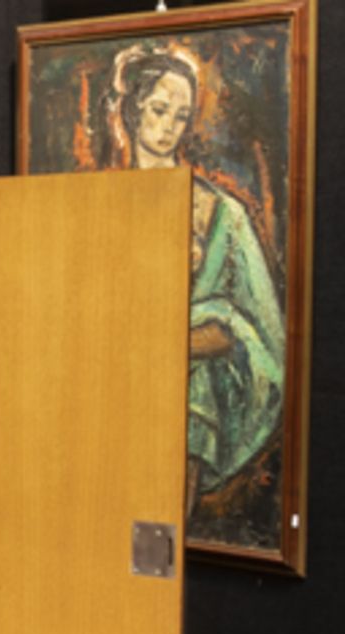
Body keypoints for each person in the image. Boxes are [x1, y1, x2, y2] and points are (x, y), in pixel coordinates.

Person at [113, 47, 284, 517]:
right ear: (133, 110)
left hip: (190, 372)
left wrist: (168, 339)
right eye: (159, 110)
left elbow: (252, 324)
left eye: (181, 116)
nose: (169, 126)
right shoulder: (100, 204)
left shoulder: (220, 214)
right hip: (113, 370)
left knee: (197, 394)